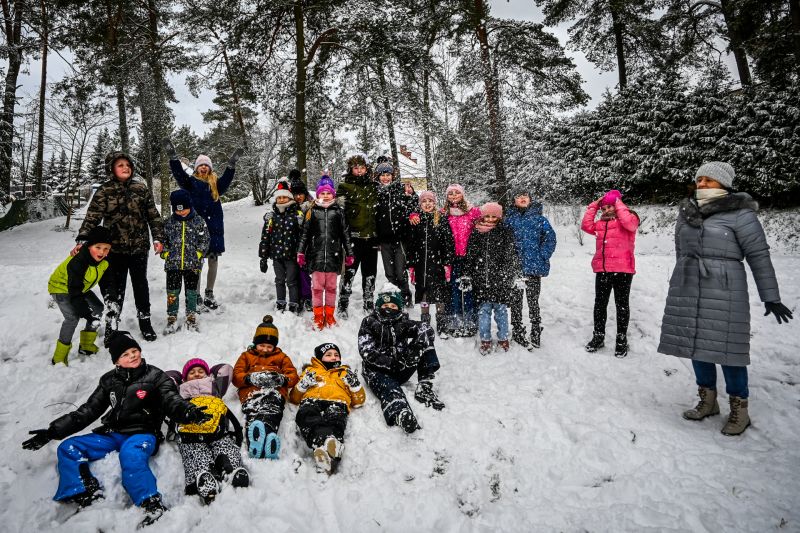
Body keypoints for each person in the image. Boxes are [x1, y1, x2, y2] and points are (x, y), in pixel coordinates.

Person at [21, 331, 212, 527]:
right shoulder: (108, 381)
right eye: (126, 354)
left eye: (134, 350)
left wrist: (189, 412)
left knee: (131, 455)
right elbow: (88, 411)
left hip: (143, 433)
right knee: (68, 447)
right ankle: (83, 490)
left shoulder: (156, 376)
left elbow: (171, 400)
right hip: (113, 434)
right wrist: (52, 432)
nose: (133, 356)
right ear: (116, 361)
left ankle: (150, 502)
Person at [657, 162, 793, 436]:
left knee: (729, 349)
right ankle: (707, 401)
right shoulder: (686, 212)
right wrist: (679, 278)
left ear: (724, 183)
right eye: (699, 179)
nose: (702, 184)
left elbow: (758, 255)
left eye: (709, 179)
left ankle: (739, 409)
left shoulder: (741, 214)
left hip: (725, 287)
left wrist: (771, 296)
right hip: (689, 284)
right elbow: (679, 250)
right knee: (695, 343)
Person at [73, 152, 164, 343]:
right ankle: (112, 324)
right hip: (114, 250)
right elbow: (93, 217)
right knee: (115, 288)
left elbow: (153, 216)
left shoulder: (141, 188)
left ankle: (145, 320)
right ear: (112, 169)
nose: (125, 168)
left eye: (128, 165)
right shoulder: (105, 191)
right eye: (120, 165)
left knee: (141, 285)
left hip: (139, 247)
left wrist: (158, 237)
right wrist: (82, 239)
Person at [163, 138, 243, 310]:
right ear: (197, 168)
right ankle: (196, 294)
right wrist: (173, 157)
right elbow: (178, 174)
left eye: (206, 165)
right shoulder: (190, 184)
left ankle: (209, 292)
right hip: (195, 229)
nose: (204, 167)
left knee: (213, 260)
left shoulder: (216, 185)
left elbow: (227, 179)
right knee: (196, 262)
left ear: (210, 168)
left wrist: (231, 165)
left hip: (213, 229)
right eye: (201, 165)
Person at [358, 284, 445, 434]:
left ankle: (424, 385)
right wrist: (391, 363)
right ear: (379, 307)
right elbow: (367, 351)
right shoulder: (369, 322)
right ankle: (400, 413)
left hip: (401, 366)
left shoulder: (403, 322)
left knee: (424, 340)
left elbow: (425, 329)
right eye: (385, 305)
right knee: (389, 388)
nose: (389, 308)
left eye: (393, 305)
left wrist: (409, 355)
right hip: (377, 372)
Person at [167, 358, 248, 504]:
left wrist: (210, 374)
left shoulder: (214, 385)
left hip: (216, 427)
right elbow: (165, 380)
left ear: (209, 374)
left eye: (201, 371)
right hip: (190, 431)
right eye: (191, 372)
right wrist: (179, 378)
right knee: (194, 452)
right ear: (184, 378)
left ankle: (233, 470)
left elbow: (226, 369)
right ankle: (203, 478)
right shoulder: (178, 390)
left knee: (225, 446)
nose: (197, 374)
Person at [289, 342, 365, 474]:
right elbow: (294, 398)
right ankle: (330, 444)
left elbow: (359, 401)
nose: (334, 357)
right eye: (328, 355)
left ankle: (324, 445)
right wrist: (303, 384)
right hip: (312, 400)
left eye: (336, 355)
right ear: (319, 358)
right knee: (306, 416)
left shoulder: (345, 373)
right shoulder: (310, 371)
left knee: (335, 419)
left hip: (337, 401)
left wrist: (354, 385)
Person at [580, 189, 639, 357]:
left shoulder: (629, 219)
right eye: (603, 208)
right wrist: (594, 205)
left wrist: (617, 201)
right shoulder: (601, 224)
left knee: (621, 305)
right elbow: (586, 225)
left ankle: (621, 340)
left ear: (617, 206)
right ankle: (598, 337)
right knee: (600, 305)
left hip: (623, 271)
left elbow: (629, 223)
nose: (606, 211)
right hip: (603, 270)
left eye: (609, 207)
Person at [232, 315, 299, 458]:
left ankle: (267, 437)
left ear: (274, 346)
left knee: (272, 411)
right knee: (253, 412)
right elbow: (236, 376)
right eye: (262, 345)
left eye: (269, 346)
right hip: (251, 392)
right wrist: (250, 377)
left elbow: (293, 376)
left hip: (274, 392)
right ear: (255, 343)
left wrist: (282, 379)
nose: (265, 349)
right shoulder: (246, 356)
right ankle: (255, 443)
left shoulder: (281, 357)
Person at [48, 226, 114, 365]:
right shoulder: (79, 261)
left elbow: (107, 282)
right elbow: (75, 292)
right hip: (60, 287)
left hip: (79, 287)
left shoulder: (104, 262)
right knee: (72, 318)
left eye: (106, 248)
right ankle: (59, 357)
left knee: (98, 309)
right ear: (89, 246)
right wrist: (87, 314)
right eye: (98, 247)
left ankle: (86, 346)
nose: (102, 252)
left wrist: (110, 299)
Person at [462, 202, 521, 355]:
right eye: (486, 216)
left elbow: (511, 256)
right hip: (481, 280)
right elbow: (471, 256)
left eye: (493, 217)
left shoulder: (505, 232)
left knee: (501, 311)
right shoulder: (477, 232)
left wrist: (509, 274)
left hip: (500, 281)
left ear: (499, 218)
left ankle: (503, 337)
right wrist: (467, 274)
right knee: (484, 311)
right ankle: (485, 339)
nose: (489, 219)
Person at [297, 176, 354, 329]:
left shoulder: (339, 212)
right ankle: (317, 317)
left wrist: (349, 253)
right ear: (318, 194)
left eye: (329, 193)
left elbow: (345, 235)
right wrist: (300, 252)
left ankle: (329, 316)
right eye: (322, 193)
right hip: (315, 257)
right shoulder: (312, 212)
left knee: (331, 288)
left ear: (333, 194)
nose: (326, 196)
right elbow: (304, 234)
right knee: (316, 289)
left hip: (334, 257)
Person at [504, 189, 557, 349]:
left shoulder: (539, 219)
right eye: (518, 197)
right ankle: (518, 328)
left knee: (533, 300)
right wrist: (508, 257)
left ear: (530, 199)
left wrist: (543, 255)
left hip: (534, 267)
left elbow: (550, 239)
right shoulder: (509, 219)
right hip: (515, 268)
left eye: (525, 196)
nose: (522, 199)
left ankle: (535, 327)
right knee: (516, 300)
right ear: (514, 200)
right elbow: (503, 240)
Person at [406, 190, 455, 335]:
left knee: (440, 295)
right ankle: (425, 321)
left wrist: (447, 262)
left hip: (438, 264)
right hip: (421, 265)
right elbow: (411, 243)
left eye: (430, 201)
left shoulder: (441, 218)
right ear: (420, 204)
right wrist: (411, 264)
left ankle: (441, 321)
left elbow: (448, 242)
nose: (427, 204)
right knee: (424, 294)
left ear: (435, 203)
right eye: (424, 202)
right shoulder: (416, 220)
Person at [161, 189, 210, 334]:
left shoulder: (198, 221)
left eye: (184, 209)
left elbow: (205, 239)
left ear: (190, 205)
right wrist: (165, 253)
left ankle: (191, 315)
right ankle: (172, 316)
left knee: (191, 292)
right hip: (173, 265)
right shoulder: (169, 223)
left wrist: (198, 253)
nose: (182, 213)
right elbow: (163, 240)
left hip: (192, 265)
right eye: (178, 210)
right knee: (172, 292)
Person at [336, 153, 379, 317]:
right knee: (349, 273)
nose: (359, 171)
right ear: (351, 169)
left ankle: (369, 302)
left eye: (362, 167)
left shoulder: (373, 186)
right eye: (356, 168)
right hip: (353, 239)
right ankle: (343, 303)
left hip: (371, 238)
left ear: (366, 169)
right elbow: (339, 213)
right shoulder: (344, 186)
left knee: (370, 274)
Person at [374, 162, 417, 305]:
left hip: (400, 238)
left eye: (388, 175)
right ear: (378, 177)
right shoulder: (375, 192)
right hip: (384, 239)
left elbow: (413, 206)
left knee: (400, 271)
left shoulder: (400, 189)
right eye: (383, 175)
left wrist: (411, 195)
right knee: (389, 273)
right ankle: (394, 298)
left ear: (393, 176)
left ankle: (405, 296)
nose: (385, 178)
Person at [259, 179, 304, 314]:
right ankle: (280, 302)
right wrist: (263, 257)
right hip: (277, 255)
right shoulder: (272, 217)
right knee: (279, 280)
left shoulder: (297, 215)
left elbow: (303, 236)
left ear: (289, 198)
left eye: (284, 197)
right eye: (279, 197)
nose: (282, 199)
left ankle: (294, 303)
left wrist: (301, 253)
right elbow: (265, 237)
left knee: (292, 280)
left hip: (291, 256)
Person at [443, 184, 482, 337]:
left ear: (462, 195)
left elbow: (488, 220)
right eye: (450, 193)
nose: (453, 195)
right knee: (453, 290)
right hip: (451, 258)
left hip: (469, 258)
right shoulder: (443, 213)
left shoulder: (473, 212)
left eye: (456, 193)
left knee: (469, 290)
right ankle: (455, 321)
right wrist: (415, 215)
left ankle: (471, 321)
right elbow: (425, 215)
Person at [289, 170, 315, 312]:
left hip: (306, 246)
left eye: (301, 194)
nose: (298, 197)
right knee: (294, 274)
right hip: (292, 245)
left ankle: (307, 297)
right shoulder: (290, 207)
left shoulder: (310, 207)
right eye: (295, 194)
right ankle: (298, 297)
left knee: (304, 273)